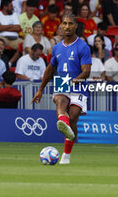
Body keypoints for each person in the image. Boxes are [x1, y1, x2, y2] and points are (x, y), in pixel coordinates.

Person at [31, 13, 92, 165]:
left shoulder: (83, 46)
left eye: (70, 24)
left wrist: (75, 81)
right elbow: (50, 68)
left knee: (72, 119)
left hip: (78, 86)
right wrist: (40, 89)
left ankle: (67, 152)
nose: (66, 27)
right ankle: (62, 123)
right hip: (62, 83)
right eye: (64, 24)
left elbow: (86, 71)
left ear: (75, 26)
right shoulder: (57, 47)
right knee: (60, 102)